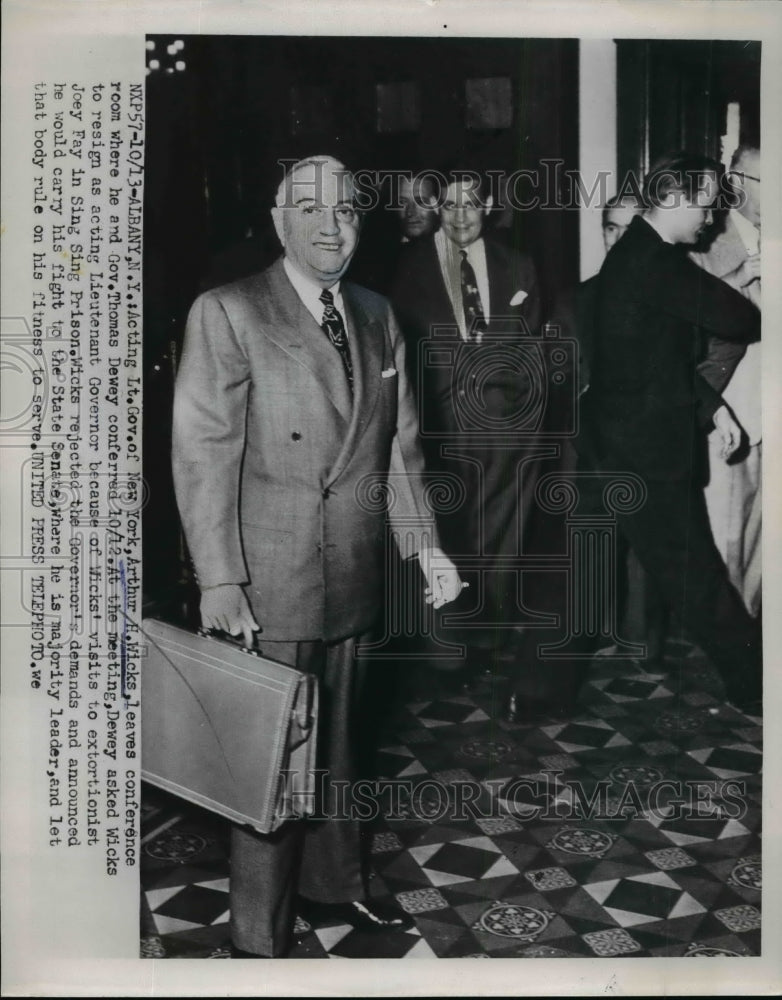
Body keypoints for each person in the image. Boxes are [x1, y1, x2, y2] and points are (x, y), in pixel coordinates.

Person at [172, 154, 463, 958]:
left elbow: (400, 452)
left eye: (345, 212)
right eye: (311, 210)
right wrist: (221, 580)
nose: (330, 226)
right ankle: (259, 936)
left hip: (358, 574)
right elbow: (203, 455)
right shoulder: (229, 311)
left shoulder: (376, 313)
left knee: (342, 745)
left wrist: (426, 549)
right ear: (278, 221)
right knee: (271, 759)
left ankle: (339, 887)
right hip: (270, 578)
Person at [580, 152, 762, 711]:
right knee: (697, 577)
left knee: (573, 577)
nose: (709, 218)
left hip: (619, 443)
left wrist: (715, 409)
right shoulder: (657, 263)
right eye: (706, 204)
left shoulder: (641, 254)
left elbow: (659, 360)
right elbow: (743, 319)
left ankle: (534, 695)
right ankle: (758, 686)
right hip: (644, 456)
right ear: (678, 197)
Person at [391, 169, 542, 679]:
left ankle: (487, 639)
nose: (459, 215)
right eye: (449, 205)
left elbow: (531, 352)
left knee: (500, 538)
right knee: (444, 532)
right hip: (438, 426)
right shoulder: (403, 267)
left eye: (470, 204)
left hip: (505, 429)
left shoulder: (518, 267)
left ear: (491, 205)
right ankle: (444, 648)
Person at [691, 143, 762, 617]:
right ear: (735, 182)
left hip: (769, 407)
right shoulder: (701, 245)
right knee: (724, 530)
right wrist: (738, 279)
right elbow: (686, 329)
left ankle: (755, 625)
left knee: (764, 531)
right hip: (722, 408)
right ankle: (727, 631)